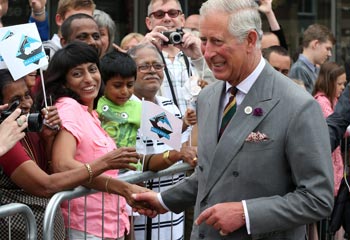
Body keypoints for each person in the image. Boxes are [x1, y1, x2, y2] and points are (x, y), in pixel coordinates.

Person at [132, 0, 334, 239]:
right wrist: (163, 200)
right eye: (204, 41)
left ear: (249, 40)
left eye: (217, 42)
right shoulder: (208, 98)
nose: (207, 53)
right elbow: (211, 175)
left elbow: (317, 198)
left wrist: (247, 214)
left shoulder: (297, 105)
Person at [0, 69, 139, 239]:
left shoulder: (30, 129)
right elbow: (46, 185)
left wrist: (47, 140)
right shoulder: (5, 141)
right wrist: (105, 163)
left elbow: (51, 171)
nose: (26, 104)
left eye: (27, 96)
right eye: (15, 100)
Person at [36, 41, 150, 239]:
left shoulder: (92, 114)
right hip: (85, 228)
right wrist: (121, 184)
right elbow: (62, 165)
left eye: (92, 70)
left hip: (111, 224)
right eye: (77, 73)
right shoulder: (69, 107)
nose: (89, 79)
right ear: (65, 82)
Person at [128, 42, 197, 240]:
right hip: (140, 218)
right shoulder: (127, 107)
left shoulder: (168, 104)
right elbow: (176, 141)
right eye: (144, 66)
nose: (152, 71)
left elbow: (186, 146)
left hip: (171, 219)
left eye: (157, 66)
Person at [143, 0, 213, 115]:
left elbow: (218, 90)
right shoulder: (143, 54)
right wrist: (143, 52)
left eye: (173, 13)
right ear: (149, 22)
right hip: (161, 130)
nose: (167, 18)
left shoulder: (197, 52)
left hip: (199, 130)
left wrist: (199, 58)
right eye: (159, 14)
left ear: (182, 19)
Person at [289, 23, 335, 94]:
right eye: (327, 48)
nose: (330, 54)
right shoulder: (299, 69)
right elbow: (307, 102)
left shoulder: (315, 69)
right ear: (315, 44)